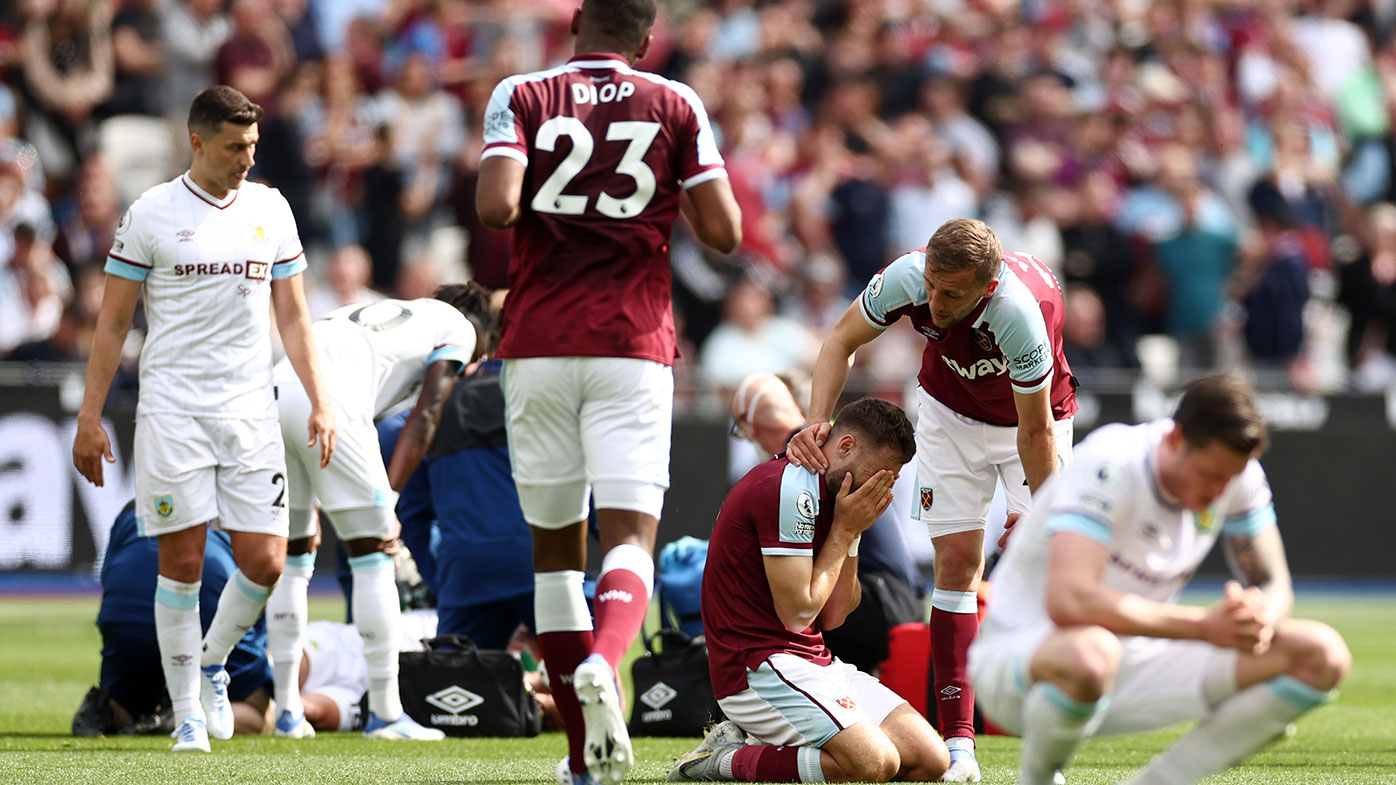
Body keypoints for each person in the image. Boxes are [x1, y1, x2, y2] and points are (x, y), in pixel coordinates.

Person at [475, 0, 743, 782]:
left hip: (538, 343)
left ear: (577, 23)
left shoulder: (521, 94)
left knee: (555, 557)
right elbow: (724, 232)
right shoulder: (674, 101)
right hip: (632, 343)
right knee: (630, 537)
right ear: (647, 37)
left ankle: (579, 763)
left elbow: (495, 209)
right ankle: (607, 657)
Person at [72, 85, 335, 754]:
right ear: (197, 142)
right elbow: (112, 322)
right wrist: (90, 416)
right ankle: (188, 713)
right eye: (234, 146)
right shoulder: (152, 212)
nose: (248, 157)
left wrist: (321, 398)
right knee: (181, 562)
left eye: (252, 144)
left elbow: (296, 316)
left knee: (266, 560)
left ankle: (213, 660)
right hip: (173, 409)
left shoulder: (271, 208)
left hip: (250, 408)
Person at [788, 217, 1077, 781]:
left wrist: (1044, 515)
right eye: (933, 286)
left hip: (1036, 421)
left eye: (953, 293)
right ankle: (961, 749)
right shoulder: (908, 277)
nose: (936, 303)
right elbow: (840, 340)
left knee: (1046, 572)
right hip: (949, 413)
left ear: (987, 289)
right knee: (957, 566)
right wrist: (816, 421)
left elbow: (1034, 432)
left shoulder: (1020, 314)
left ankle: (1043, 752)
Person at [969, 375, 1351, 785]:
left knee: (1322, 654)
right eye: (1210, 476)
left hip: (1136, 666)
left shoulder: (1237, 475)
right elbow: (1071, 601)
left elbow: (1274, 583)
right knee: (1092, 652)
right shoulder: (1113, 464)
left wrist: (1257, 618)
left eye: (1229, 480)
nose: (1220, 492)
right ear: (1175, 440)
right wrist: (1204, 627)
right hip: (1021, 667)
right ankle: (1039, 780)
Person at [669, 397, 948, 784]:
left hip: (813, 660)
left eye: (891, 478)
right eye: (878, 473)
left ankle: (772, 746)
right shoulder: (789, 487)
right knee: (873, 764)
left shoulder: (839, 493)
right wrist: (846, 531)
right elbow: (798, 613)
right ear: (846, 446)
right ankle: (724, 760)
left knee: (931, 760)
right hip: (754, 667)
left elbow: (833, 615)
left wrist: (851, 535)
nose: (879, 486)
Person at [263, 284, 495, 740]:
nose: (477, 366)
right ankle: (387, 716)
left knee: (294, 558)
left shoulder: (379, 313)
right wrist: (388, 499)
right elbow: (426, 414)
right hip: (327, 397)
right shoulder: (459, 329)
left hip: (275, 389)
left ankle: (288, 711)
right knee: (374, 554)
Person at [74, 502, 273, 738]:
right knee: (259, 713)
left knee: (126, 702)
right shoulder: (244, 500)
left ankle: (110, 709)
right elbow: (258, 593)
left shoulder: (134, 505)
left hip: (128, 612)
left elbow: (109, 582)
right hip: (211, 601)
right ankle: (177, 715)